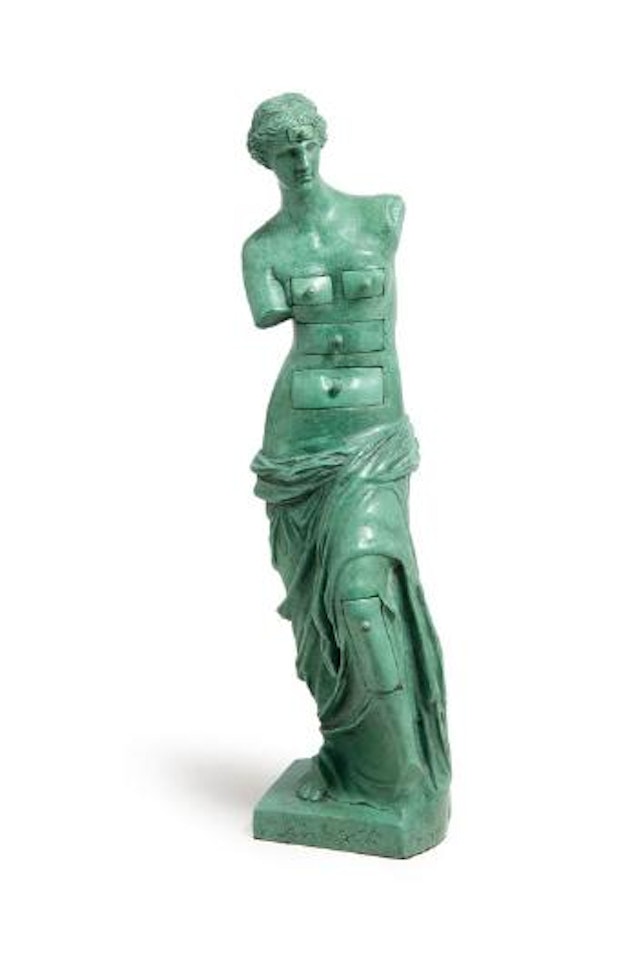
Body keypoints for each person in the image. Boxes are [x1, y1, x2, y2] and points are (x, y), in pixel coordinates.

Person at [243, 93, 451, 820]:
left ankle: (400, 778)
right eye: (283, 149)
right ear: (265, 160)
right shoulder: (262, 250)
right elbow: (269, 313)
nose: (298, 159)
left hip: (372, 439)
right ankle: (351, 758)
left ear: (322, 142)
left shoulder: (380, 214)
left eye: (306, 143)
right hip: (298, 445)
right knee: (321, 614)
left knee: (362, 596)